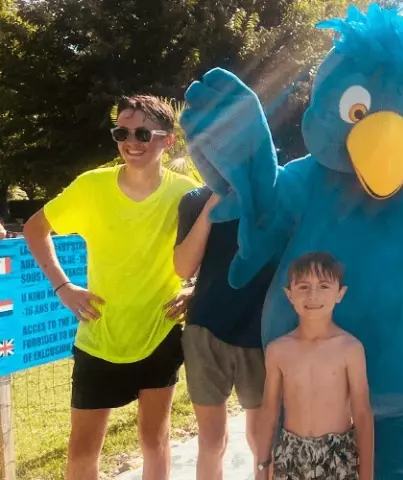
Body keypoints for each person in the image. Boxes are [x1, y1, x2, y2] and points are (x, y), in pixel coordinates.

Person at [23, 95, 198, 480]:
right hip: (99, 336)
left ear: (168, 140)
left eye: (142, 133)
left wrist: (195, 289)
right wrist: (63, 287)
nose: (131, 142)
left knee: (154, 441)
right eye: (122, 132)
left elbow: (219, 245)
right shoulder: (92, 186)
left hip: (159, 331)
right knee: (82, 452)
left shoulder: (186, 193)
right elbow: (36, 229)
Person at [174, 185, 278, 479]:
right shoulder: (195, 200)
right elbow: (183, 268)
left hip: (260, 333)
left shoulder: (276, 191)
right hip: (206, 331)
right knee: (212, 441)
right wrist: (214, 202)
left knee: (263, 440)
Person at [255, 252, 374, 480]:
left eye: (323, 286)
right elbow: (269, 410)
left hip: (338, 455)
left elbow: (362, 413)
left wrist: (367, 474)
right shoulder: (278, 350)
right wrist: (262, 466)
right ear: (289, 295)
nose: (313, 295)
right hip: (291, 454)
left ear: (340, 294)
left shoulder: (350, 348)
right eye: (303, 287)